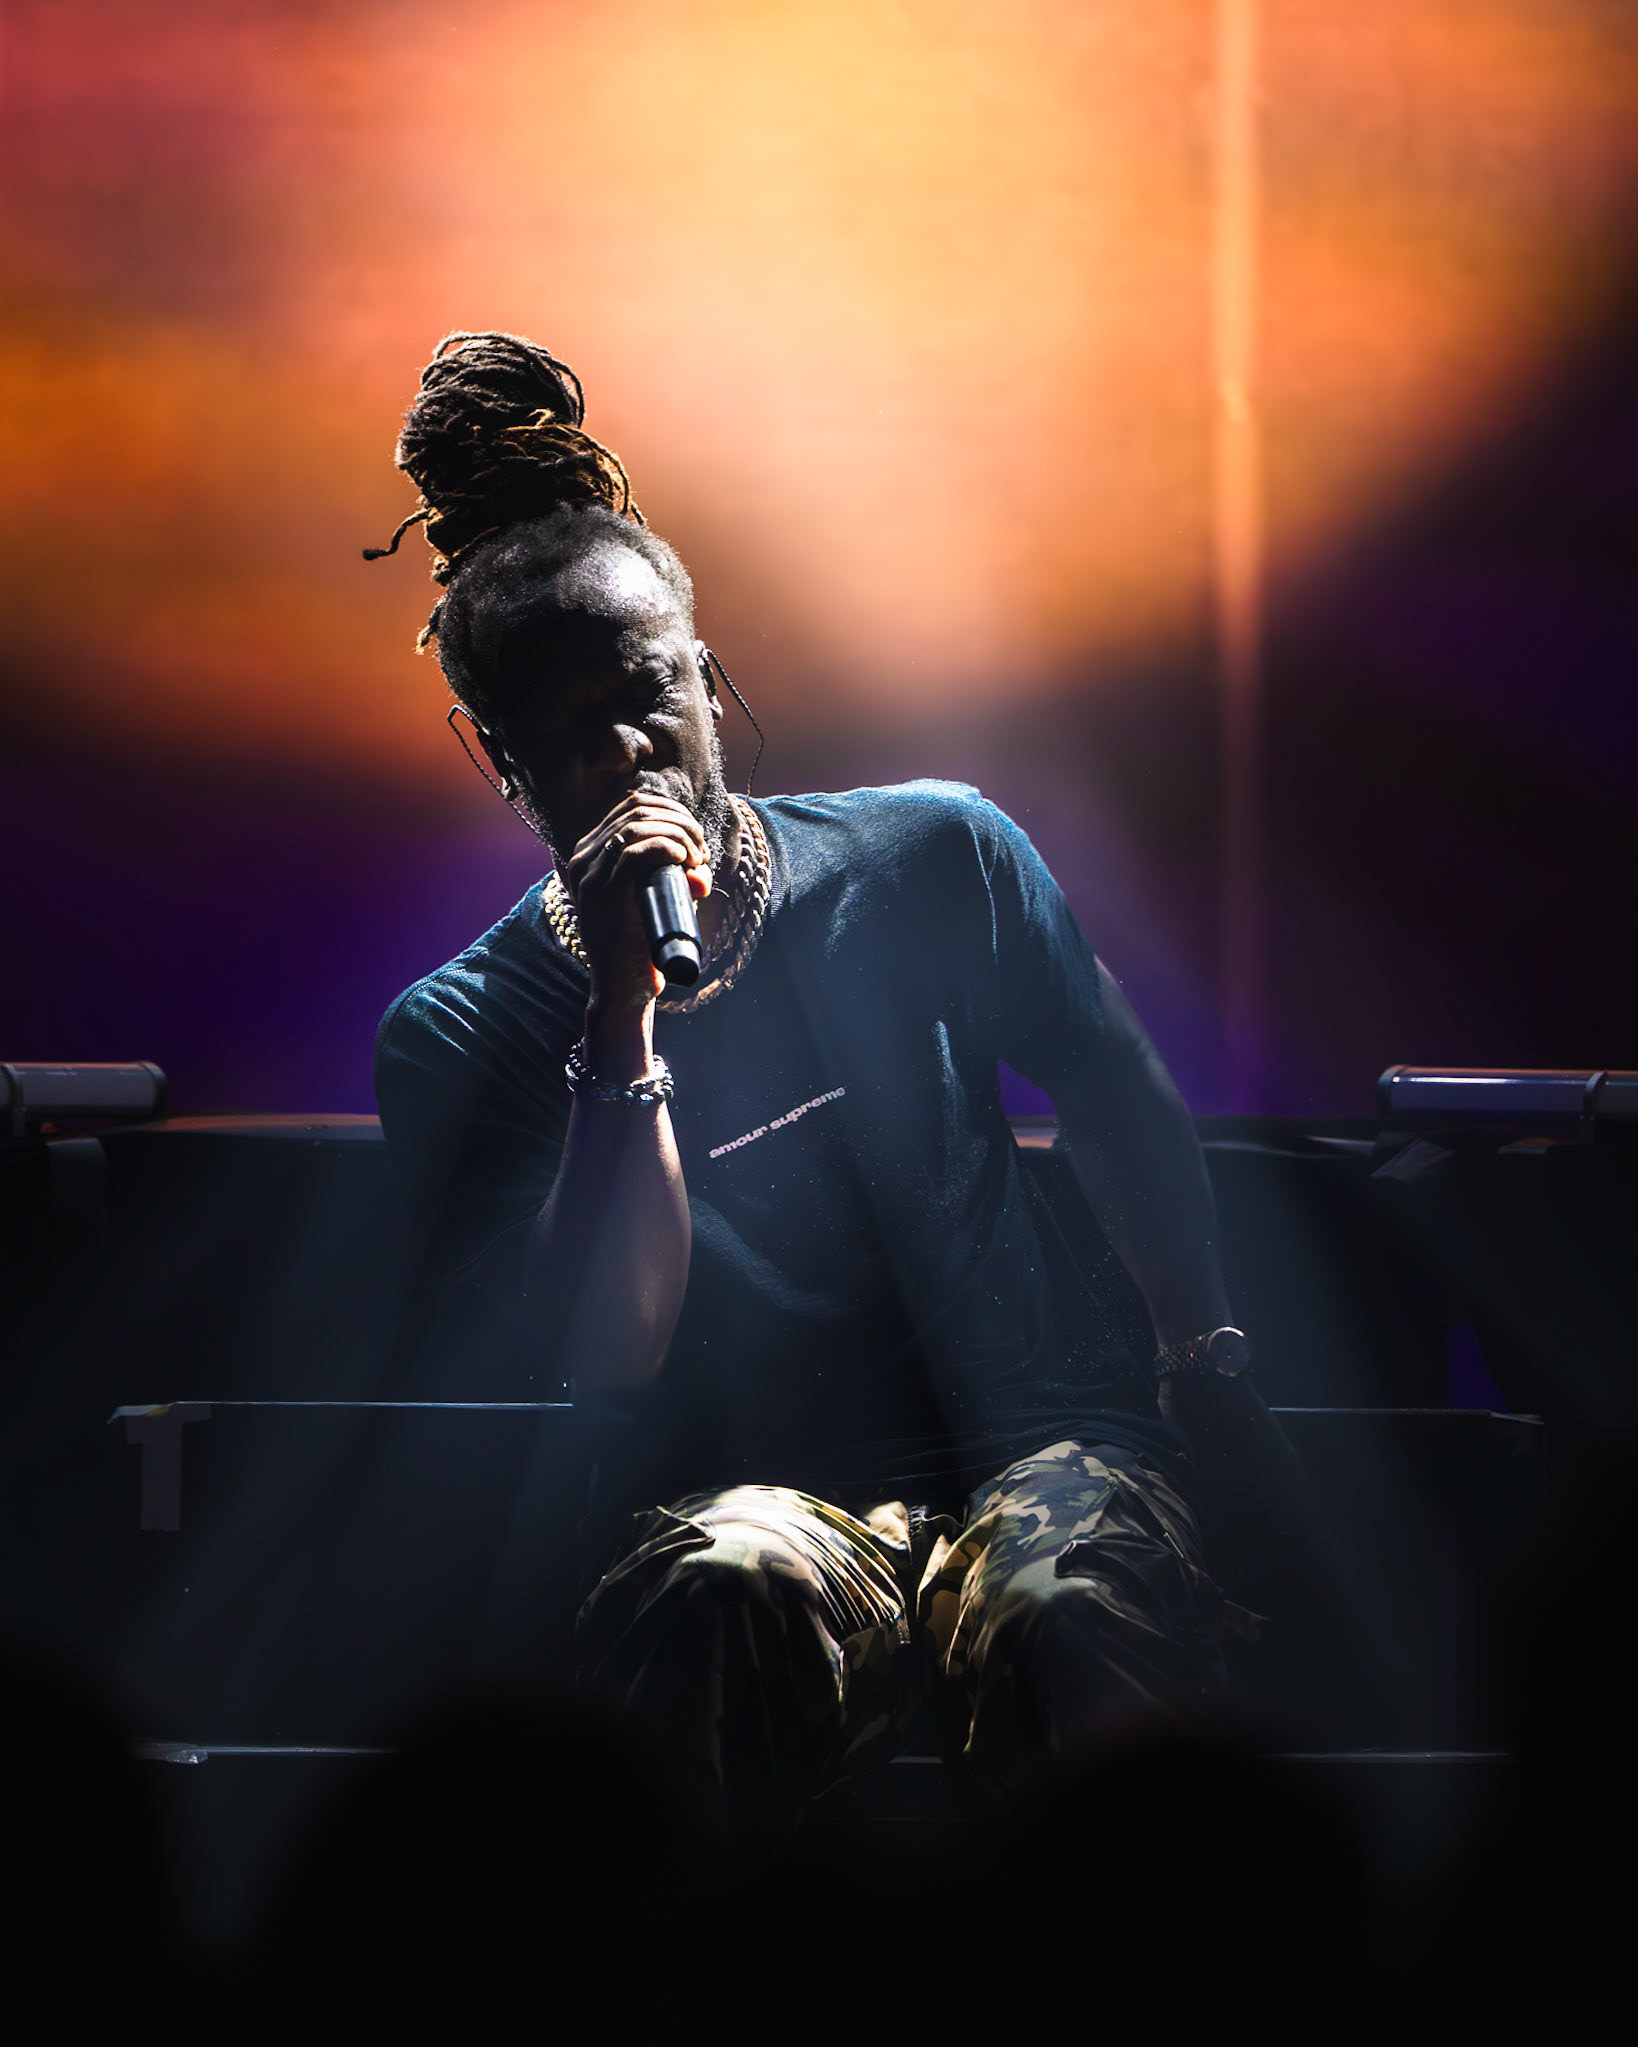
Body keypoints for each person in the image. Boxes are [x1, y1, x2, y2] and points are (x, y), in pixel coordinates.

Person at [369, 331, 1312, 1833]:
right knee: (729, 1591)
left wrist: (1201, 1347)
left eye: (650, 692)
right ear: (498, 758)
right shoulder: (462, 1030)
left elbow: (1115, 1089)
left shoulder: (935, 853)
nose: (629, 749)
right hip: (737, 1491)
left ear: (707, 674)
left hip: (1037, 1445)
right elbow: (612, 1347)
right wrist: (620, 1017)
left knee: (1067, 1604)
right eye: (567, 730)